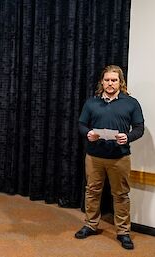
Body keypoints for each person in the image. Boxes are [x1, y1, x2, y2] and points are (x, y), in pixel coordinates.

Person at [75, 65, 144, 250]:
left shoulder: (131, 103)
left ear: (120, 82)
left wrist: (128, 137)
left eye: (114, 80)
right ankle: (90, 224)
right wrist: (88, 133)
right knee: (92, 191)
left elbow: (139, 128)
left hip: (119, 158)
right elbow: (81, 124)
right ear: (102, 82)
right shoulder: (91, 102)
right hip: (94, 156)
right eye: (107, 80)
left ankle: (123, 232)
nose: (110, 83)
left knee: (121, 195)